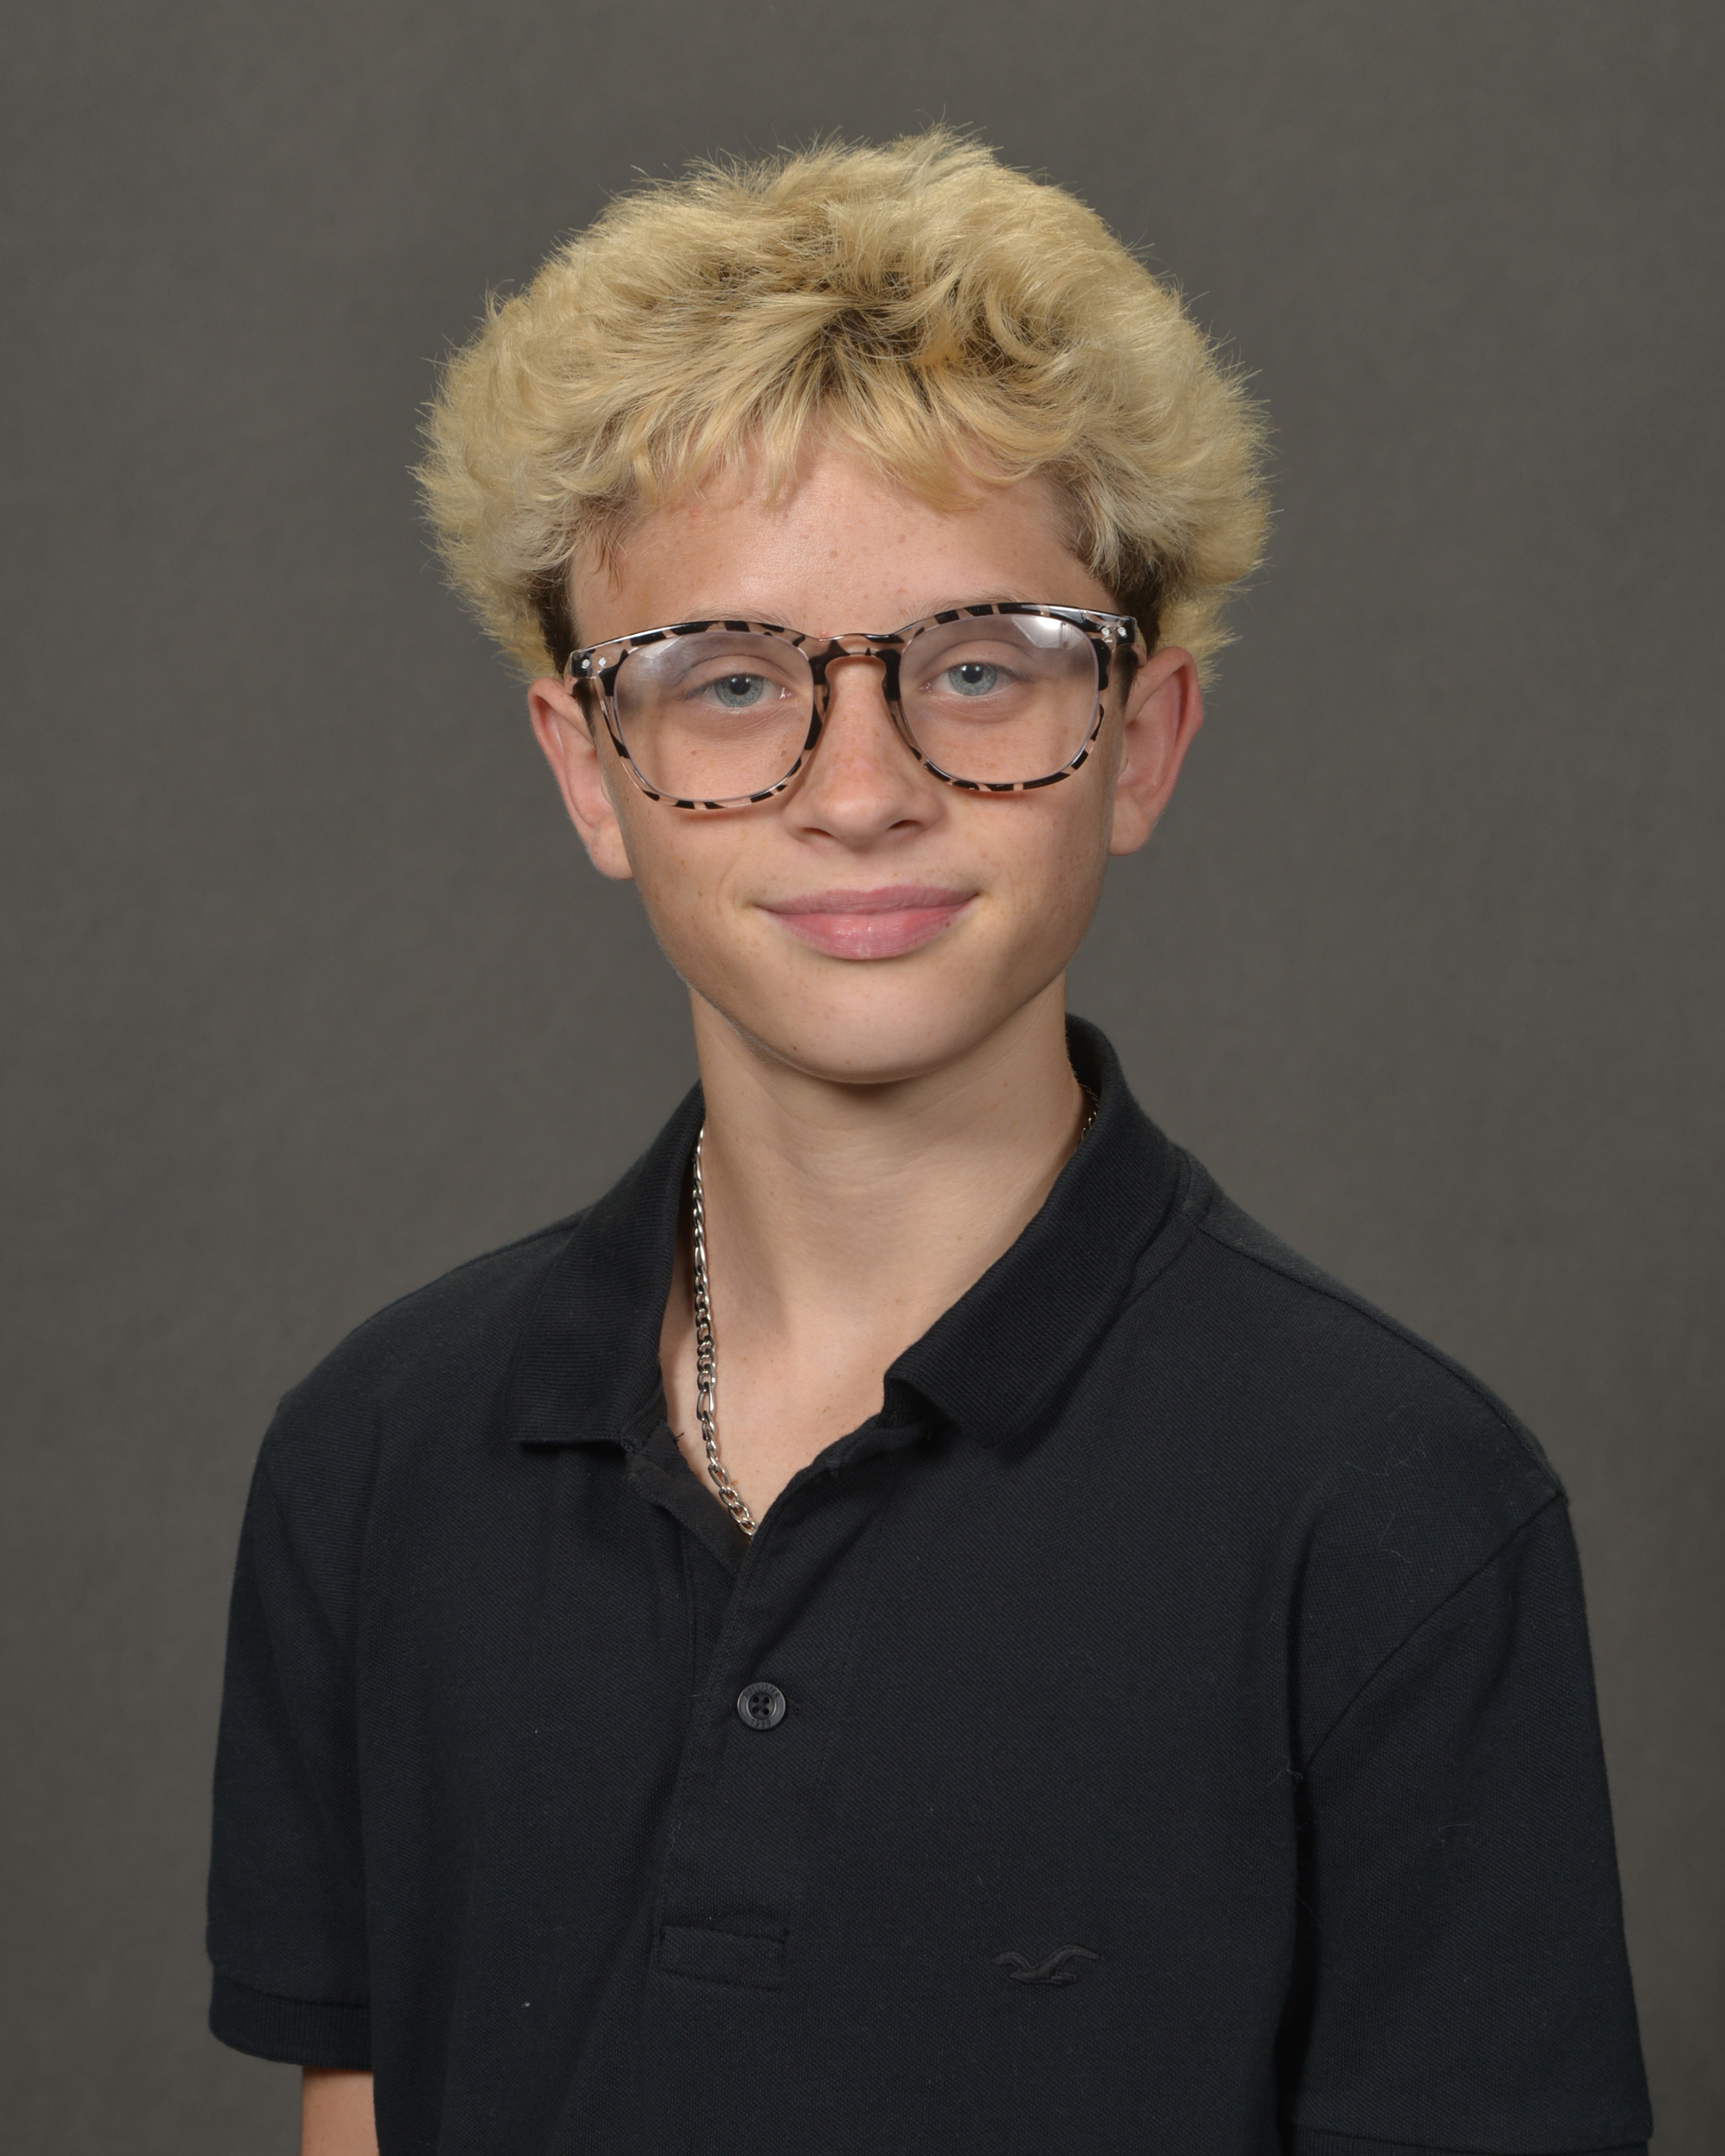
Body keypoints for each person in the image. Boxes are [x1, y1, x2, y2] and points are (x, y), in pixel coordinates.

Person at [206, 132, 1652, 2156]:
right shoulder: (375, 1454)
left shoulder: (1395, 1505)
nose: (861, 788)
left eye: (978, 668)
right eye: (728, 681)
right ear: (590, 769)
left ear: (1143, 740)